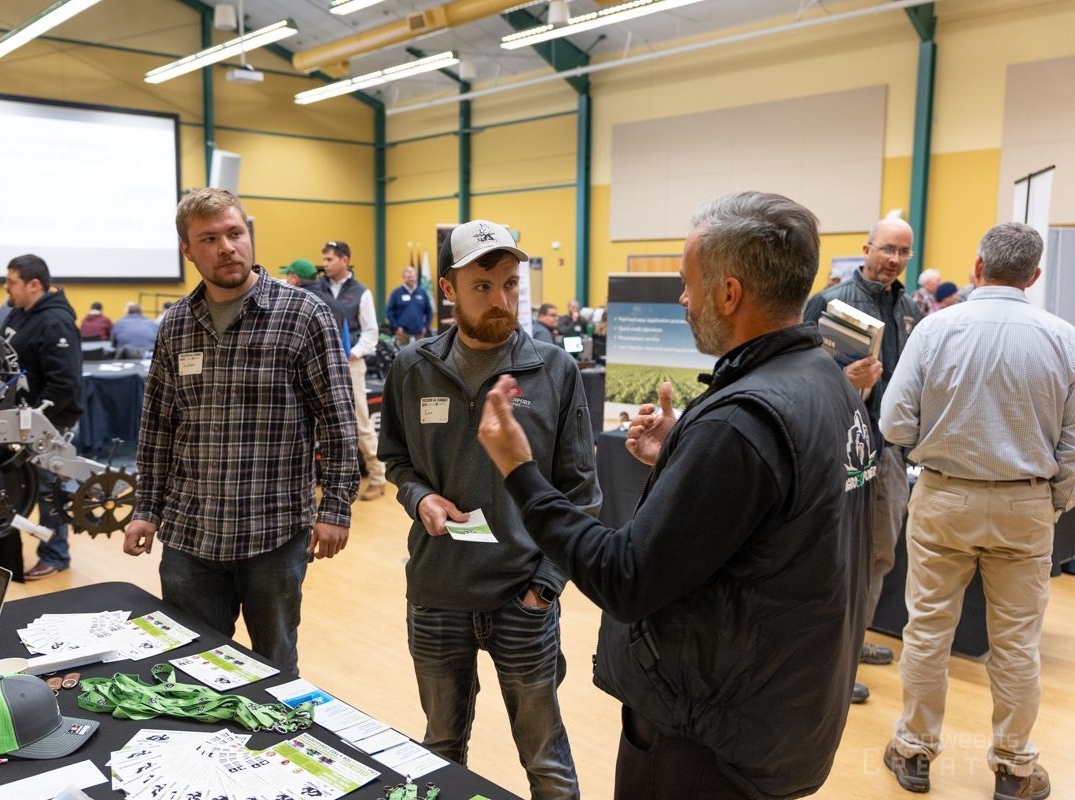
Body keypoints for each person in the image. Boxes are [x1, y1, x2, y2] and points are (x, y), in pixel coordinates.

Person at [477, 191, 872, 800]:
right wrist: (686, 459)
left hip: (710, 739)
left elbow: (624, 577)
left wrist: (522, 471)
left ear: (730, 293)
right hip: (787, 714)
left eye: (688, 285)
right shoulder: (829, 383)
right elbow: (780, 519)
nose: (683, 301)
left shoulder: (742, 422)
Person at [378, 219, 600, 800]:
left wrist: (544, 589)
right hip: (436, 593)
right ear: (448, 290)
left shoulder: (554, 370)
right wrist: (419, 496)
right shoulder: (411, 366)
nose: (501, 300)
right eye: (483, 286)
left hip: (521, 599)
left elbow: (581, 494)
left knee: (546, 764)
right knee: (440, 752)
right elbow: (396, 459)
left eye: (510, 284)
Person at [123, 189, 358, 676]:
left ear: (249, 235)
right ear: (188, 250)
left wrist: (335, 507)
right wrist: (147, 509)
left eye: (235, 233)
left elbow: (337, 421)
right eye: (209, 239)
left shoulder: (303, 316)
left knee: (274, 669)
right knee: (191, 667)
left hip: (273, 533)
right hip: (191, 532)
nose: (227, 247)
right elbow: (158, 427)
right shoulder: (175, 327)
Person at [880, 222, 1073, 800]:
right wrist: (1053, 500)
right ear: (1034, 276)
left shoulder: (936, 331)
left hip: (944, 497)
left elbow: (893, 423)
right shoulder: (1064, 338)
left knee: (928, 630)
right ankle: (1014, 767)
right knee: (1016, 643)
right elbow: (1073, 443)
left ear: (977, 266)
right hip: (1027, 502)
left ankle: (914, 753)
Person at [805, 216, 922, 703]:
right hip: (836, 444)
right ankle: (824, 657)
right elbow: (797, 372)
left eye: (903, 252)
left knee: (879, 551)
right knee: (830, 551)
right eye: (887, 249)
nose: (894, 259)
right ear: (866, 248)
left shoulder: (911, 309)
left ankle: (853, 641)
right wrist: (844, 380)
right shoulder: (829, 302)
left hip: (888, 450)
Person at [0, 254, 83, 581]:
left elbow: (65, 383)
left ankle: (56, 555)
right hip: (18, 419)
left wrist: (37, 418)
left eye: (12, 282)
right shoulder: (19, 314)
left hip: (49, 421)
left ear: (34, 285)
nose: (6, 288)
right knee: (23, 486)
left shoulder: (55, 321)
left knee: (50, 489)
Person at [320, 239, 385, 501]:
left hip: (351, 365)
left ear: (344, 260)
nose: (324, 264)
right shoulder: (318, 288)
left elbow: (371, 333)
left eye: (329, 260)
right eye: (323, 259)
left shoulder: (361, 292)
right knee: (325, 425)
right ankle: (335, 482)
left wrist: (352, 354)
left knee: (360, 422)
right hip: (322, 364)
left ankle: (378, 476)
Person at [280, 258, 351, 355]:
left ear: (295, 279)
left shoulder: (293, 304)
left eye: (287, 276)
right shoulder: (335, 304)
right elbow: (345, 344)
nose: (286, 281)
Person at [385, 266, 432, 345]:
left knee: (419, 356)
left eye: (413, 276)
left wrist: (426, 326)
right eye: (408, 277)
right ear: (403, 278)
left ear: (416, 277)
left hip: (419, 333)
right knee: (403, 356)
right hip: (402, 334)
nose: (411, 279)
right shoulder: (396, 293)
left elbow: (429, 310)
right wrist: (396, 327)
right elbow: (389, 312)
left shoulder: (422, 292)